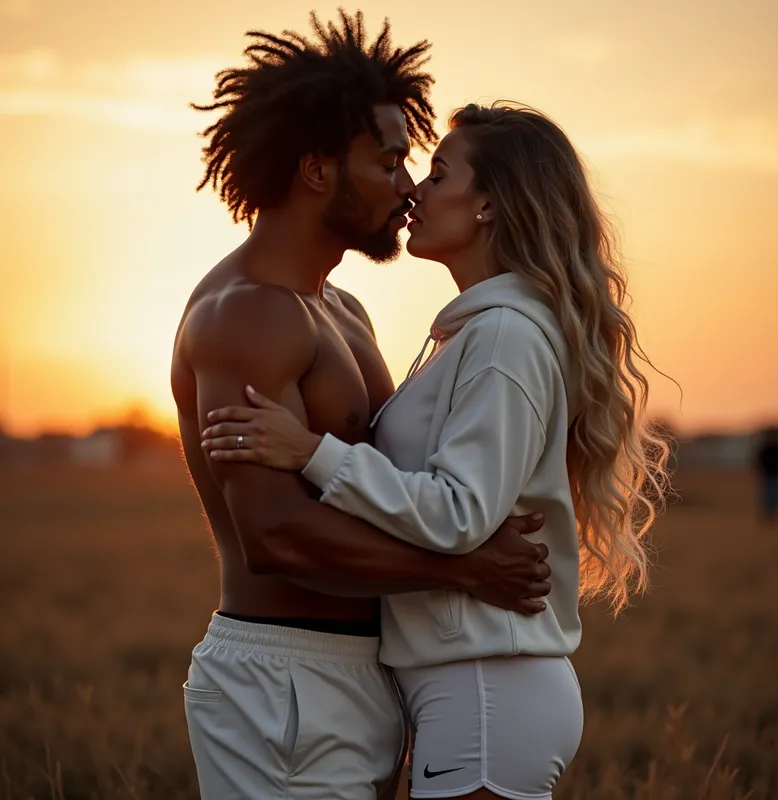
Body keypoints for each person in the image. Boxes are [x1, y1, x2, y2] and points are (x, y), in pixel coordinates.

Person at [202, 103, 672, 799]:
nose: (412, 189)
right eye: (397, 166)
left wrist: (312, 452)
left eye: (433, 171)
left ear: (489, 205)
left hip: (484, 687)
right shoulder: (466, 336)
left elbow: (459, 513)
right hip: (458, 687)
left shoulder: (505, 335)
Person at [171, 13, 553, 800]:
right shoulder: (247, 313)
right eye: (388, 161)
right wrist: (468, 567)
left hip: (368, 673)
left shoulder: (342, 310)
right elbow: (274, 535)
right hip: (280, 675)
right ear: (317, 171)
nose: (407, 184)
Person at [755, 427, 778, 522]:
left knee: (777, 495)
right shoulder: (766, 449)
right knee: (768, 495)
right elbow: (760, 460)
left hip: (776, 475)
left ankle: (775, 514)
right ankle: (769, 514)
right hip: (767, 475)